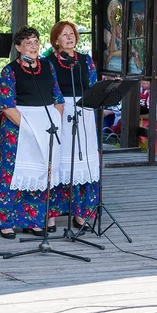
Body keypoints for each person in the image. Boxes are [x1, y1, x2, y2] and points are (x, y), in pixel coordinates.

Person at [0, 26, 64, 239]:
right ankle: (6, 221)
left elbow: (57, 97)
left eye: (36, 42)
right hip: (19, 127)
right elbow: (6, 104)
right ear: (18, 47)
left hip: (46, 125)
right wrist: (29, 128)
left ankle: (32, 219)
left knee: (40, 172)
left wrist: (55, 121)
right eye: (28, 43)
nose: (33, 46)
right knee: (11, 174)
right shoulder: (9, 70)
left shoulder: (48, 67)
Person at [44, 21, 101, 232]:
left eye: (72, 34)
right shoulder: (48, 62)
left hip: (84, 111)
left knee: (81, 162)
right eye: (65, 34)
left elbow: (93, 85)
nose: (70, 37)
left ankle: (80, 212)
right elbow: (49, 88)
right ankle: (51, 215)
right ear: (56, 41)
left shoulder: (85, 60)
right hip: (60, 110)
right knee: (59, 161)